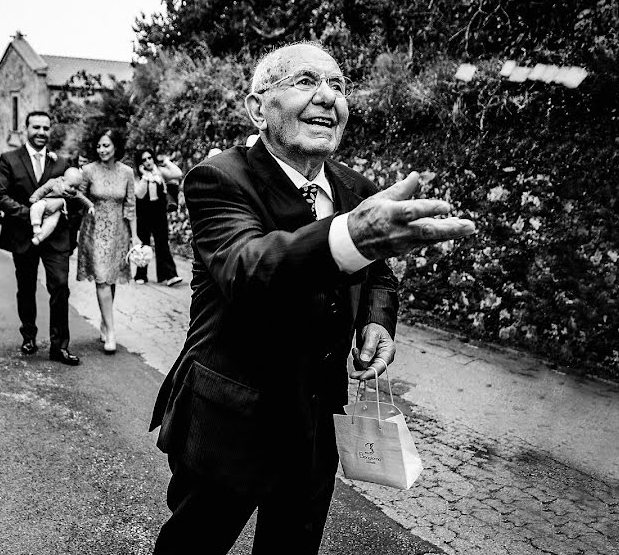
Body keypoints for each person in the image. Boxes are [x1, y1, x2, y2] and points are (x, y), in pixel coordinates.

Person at [149, 41, 476, 554]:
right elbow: (248, 268)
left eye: (338, 86)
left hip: (317, 420)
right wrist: (352, 235)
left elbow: (378, 273)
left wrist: (377, 322)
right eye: (305, 82)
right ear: (258, 108)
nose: (328, 97)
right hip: (231, 418)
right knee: (194, 545)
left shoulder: (354, 187)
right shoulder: (219, 179)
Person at [0, 111, 80, 366]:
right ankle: (28, 334)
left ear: (51, 131)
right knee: (26, 288)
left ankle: (59, 346)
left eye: (45, 128)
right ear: (26, 129)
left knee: (60, 287)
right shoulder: (9, 159)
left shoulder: (62, 163)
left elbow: (76, 200)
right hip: (23, 235)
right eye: (36, 127)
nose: (41, 132)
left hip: (56, 236)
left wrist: (64, 210)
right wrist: (28, 212)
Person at [76, 129, 140, 354]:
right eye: (99, 146)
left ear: (115, 147)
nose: (102, 150)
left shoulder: (127, 173)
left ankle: (105, 321)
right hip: (95, 229)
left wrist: (135, 236)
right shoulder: (88, 170)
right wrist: (89, 205)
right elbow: (78, 194)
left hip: (119, 231)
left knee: (110, 279)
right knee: (102, 279)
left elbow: (130, 206)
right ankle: (111, 332)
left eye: (106, 146)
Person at [133, 148, 182, 286]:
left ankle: (169, 275)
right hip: (143, 214)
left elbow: (178, 173)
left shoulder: (159, 172)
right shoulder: (137, 177)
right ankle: (141, 274)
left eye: (149, 158)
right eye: (144, 160)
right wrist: (145, 177)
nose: (148, 161)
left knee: (162, 244)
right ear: (140, 163)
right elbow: (139, 194)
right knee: (144, 244)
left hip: (159, 213)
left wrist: (167, 162)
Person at [29, 167, 90, 245]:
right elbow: (43, 189)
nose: (73, 189)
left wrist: (90, 205)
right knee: (36, 207)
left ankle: (39, 238)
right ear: (63, 179)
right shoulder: (54, 183)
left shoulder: (73, 191)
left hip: (57, 210)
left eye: (76, 187)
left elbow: (82, 198)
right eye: (71, 186)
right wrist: (35, 197)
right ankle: (36, 225)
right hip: (45, 201)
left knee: (52, 223)